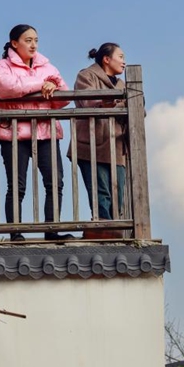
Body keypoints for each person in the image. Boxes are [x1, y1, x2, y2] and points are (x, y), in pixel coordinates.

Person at [0, 24, 75, 241]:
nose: (33, 44)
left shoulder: (48, 66)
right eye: (28, 40)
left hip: (45, 131)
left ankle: (51, 231)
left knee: (55, 182)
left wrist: (52, 87)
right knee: (17, 186)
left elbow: (65, 96)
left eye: (36, 39)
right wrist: (41, 85)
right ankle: (15, 233)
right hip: (13, 134)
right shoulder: (1, 66)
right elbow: (6, 87)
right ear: (14, 43)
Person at [69, 43, 128, 237]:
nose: (124, 61)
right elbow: (88, 101)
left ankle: (113, 231)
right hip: (92, 144)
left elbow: (138, 110)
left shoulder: (122, 85)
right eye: (120, 56)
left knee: (118, 194)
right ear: (106, 59)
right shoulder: (86, 75)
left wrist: (120, 104)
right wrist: (113, 102)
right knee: (101, 193)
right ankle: (105, 232)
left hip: (116, 145)